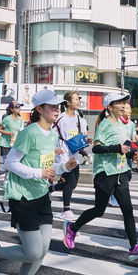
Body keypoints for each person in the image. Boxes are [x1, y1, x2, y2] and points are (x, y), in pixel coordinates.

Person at [0, 88, 77, 275]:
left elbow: (47, 166)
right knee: (32, 252)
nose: (56, 110)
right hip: (23, 197)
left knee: (42, 250)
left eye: (58, 106)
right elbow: (11, 163)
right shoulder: (29, 132)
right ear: (39, 109)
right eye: (52, 106)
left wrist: (63, 167)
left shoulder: (52, 134)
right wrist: (39, 174)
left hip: (42, 196)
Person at [63, 90, 138, 261]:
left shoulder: (122, 125)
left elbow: (122, 147)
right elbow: (96, 148)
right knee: (99, 210)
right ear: (110, 107)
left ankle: (134, 247)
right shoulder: (104, 124)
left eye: (125, 102)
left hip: (120, 172)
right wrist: (117, 149)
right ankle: (72, 228)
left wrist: (131, 152)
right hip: (105, 174)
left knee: (128, 210)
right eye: (120, 103)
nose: (124, 105)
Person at [55, 91, 90, 222]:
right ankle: (66, 210)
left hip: (74, 154)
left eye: (78, 99)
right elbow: (50, 132)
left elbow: (79, 135)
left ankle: (51, 188)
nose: (78, 101)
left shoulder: (79, 119)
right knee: (69, 182)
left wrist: (87, 140)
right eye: (75, 99)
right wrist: (54, 147)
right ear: (68, 102)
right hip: (63, 154)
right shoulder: (60, 117)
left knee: (73, 184)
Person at [0, 101, 21, 191]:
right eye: (17, 107)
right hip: (5, 144)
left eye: (19, 107)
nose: (19, 109)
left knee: (12, 165)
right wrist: (7, 133)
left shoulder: (20, 120)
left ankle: (4, 184)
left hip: (14, 145)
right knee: (8, 165)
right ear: (11, 109)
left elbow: (20, 132)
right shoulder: (7, 119)